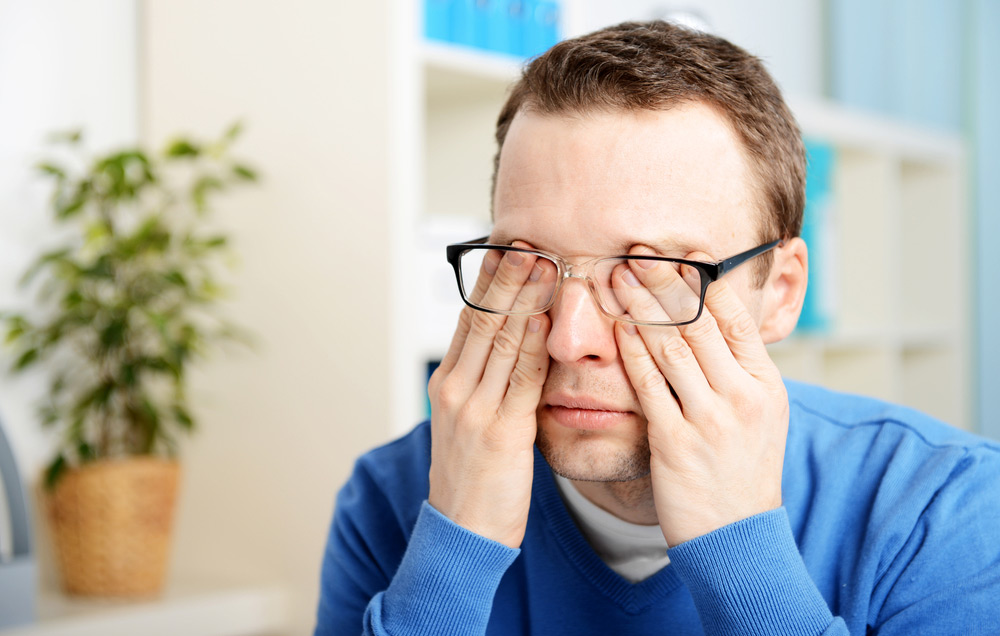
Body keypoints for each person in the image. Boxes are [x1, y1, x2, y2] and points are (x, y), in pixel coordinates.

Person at [314, 20, 1000, 635]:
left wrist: (738, 550)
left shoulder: (946, 510)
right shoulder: (394, 495)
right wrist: (455, 547)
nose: (568, 338)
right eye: (529, 265)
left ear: (781, 293)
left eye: (651, 276)